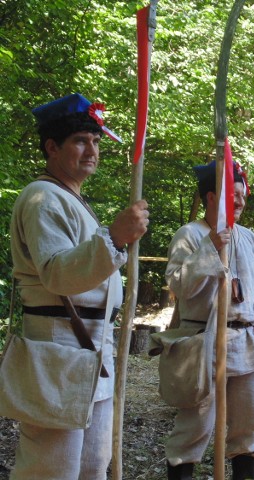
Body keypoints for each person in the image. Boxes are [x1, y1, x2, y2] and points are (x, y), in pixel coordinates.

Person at [9, 93, 149, 479]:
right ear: (52, 147)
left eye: (97, 141)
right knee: (51, 469)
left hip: (90, 348)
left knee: (91, 465)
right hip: (59, 347)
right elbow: (58, 274)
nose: (92, 150)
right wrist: (116, 237)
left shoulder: (72, 199)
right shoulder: (42, 199)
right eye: (80, 141)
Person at [163, 160, 254, 480]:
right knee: (195, 425)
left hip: (243, 342)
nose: (240, 201)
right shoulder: (190, 234)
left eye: (242, 195)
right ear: (211, 198)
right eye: (233, 195)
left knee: (249, 423)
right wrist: (209, 249)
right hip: (202, 341)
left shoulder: (250, 238)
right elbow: (179, 285)